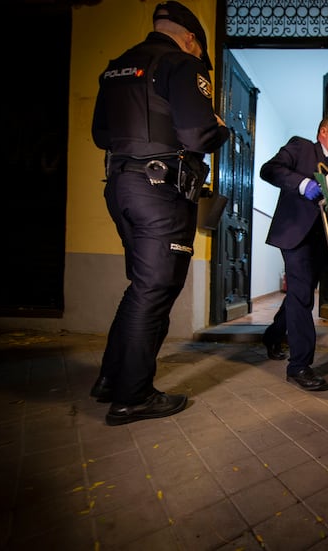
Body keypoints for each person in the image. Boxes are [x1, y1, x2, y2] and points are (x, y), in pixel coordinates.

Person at [89, 1, 229, 426]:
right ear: (190, 39)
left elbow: (101, 135)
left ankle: (111, 380)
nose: (198, 54)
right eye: (198, 48)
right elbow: (199, 135)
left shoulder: (116, 67)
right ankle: (133, 396)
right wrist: (220, 127)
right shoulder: (182, 64)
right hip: (160, 192)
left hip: (121, 186)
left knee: (142, 287)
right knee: (155, 290)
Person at [260, 114, 328, 391]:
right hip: (295, 233)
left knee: (301, 294)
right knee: (302, 297)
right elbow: (269, 169)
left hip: (322, 241)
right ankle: (299, 366)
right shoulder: (301, 147)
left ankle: (273, 335)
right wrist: (303, 184)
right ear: (323, 132)